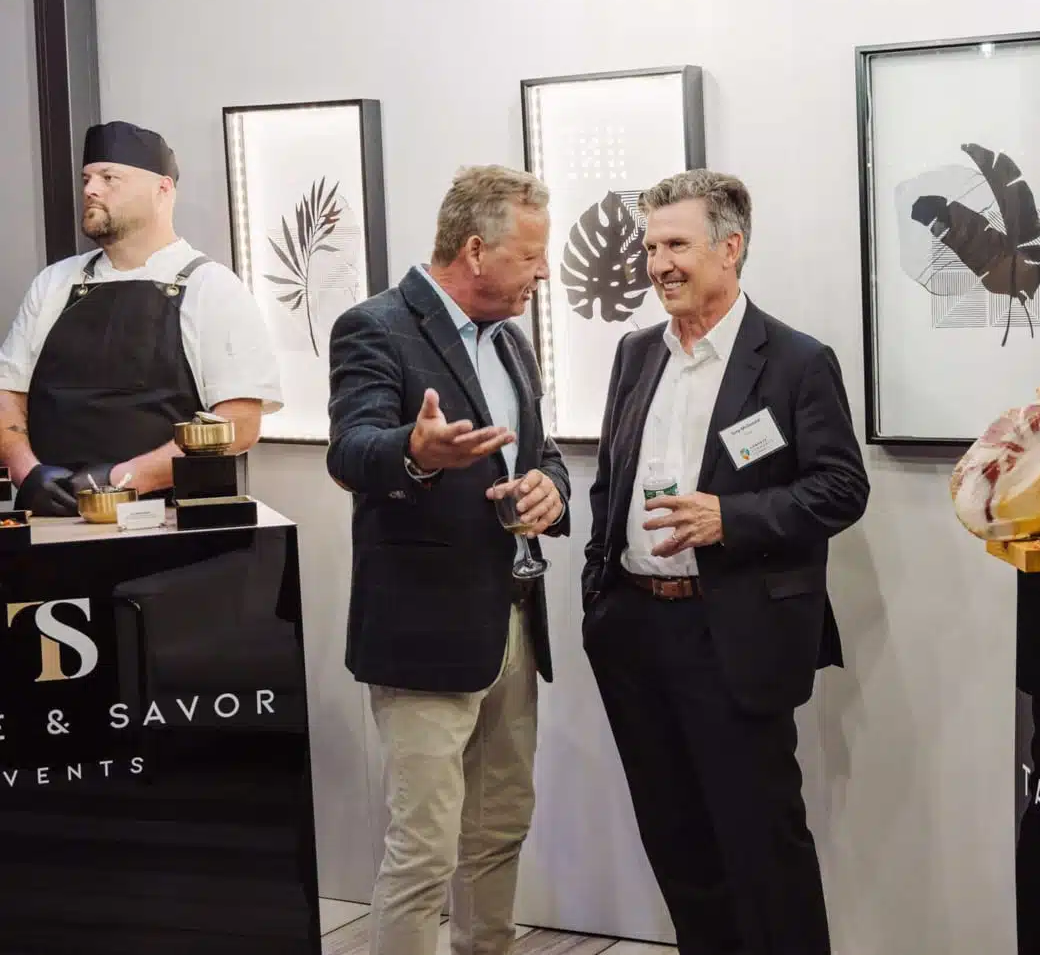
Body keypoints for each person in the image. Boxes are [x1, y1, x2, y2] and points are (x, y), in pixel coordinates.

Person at [582, 169, 869, 955]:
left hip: (732, 637)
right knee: (677, 843)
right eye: (651, 248)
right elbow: (611, 479)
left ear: (730, 248)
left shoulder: (796, 362)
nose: (658, 265)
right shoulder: (635, 354)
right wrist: (599, 596)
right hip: (635, 631)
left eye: (675, 245)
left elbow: (842, 488)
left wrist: (729, 518)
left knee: (762, 846)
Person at [326, 164, 569, 955]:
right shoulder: (374, 326)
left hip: (513, 624)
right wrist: (417, 451)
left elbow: (542, 452)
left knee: (499, 829)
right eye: (530, 256)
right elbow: (351, 451)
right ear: (474, 250)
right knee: (425, 849)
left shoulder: (513, 343)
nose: (542, 272)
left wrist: (551, 490)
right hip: (423, 633)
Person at [0, 120, 282, 514]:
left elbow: (239, 424)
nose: (91, 190)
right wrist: (28, 473)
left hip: (167, 522)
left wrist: (120, 480)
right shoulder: (53, 283)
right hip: (52, 517)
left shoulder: (211, 287)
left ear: (162, 189)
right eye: (86, 179)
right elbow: (7, 393)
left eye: (109, 178)